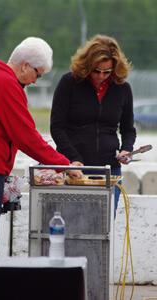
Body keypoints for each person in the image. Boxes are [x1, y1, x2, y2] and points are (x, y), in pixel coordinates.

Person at [0, 37, 82, 256]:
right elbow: (25, 136)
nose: (35, 81)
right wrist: (64, 164)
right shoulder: (5, 83)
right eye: (38, 74)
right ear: (25, 65)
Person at [50, 34, 136, 216]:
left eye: (107, 72)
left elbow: (128, 129)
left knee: (103, 229)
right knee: (72, 225)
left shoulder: (123, 89)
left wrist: (127, 149)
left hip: (109, 170)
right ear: (87, 65)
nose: (101, 77)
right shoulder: (69, 83)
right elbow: (57, 126)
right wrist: (72, 158)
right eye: (96, 71)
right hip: (73, 169)